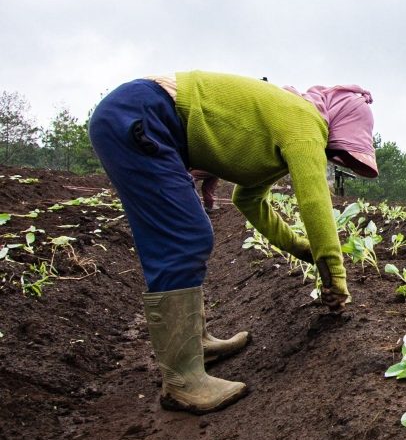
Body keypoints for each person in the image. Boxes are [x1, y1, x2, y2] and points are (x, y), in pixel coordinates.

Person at [88, 71, 378, 414]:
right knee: (185, 237)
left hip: (141, 115)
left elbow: (248, 200)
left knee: (188, 233)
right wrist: (334, 275)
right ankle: (183, 381)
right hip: (142, 115)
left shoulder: (283, 122)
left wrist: (302, 249)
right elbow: (315, 204)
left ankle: (197, 344)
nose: (330, 157)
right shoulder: (304, 121)